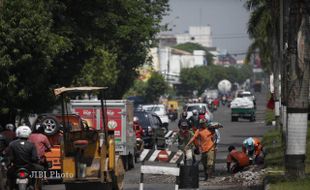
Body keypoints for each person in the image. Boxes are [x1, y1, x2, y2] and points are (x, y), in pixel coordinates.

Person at [6, 125, 44, 189]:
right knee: (41, 169)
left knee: (8, 174)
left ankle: (11, 187)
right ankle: (35, 185)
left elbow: (10, 157)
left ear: (18, 132)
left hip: (16, 167)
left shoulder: (12, 144)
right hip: (29, 167)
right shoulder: (31, 145)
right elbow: (34, 158)